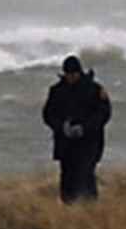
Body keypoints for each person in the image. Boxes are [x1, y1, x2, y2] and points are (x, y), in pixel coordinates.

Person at [40, 56, 112, 204]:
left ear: (79, 73)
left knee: (85, 174)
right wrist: (61, 127)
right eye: (68, 74)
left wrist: (85, 128)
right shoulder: (56, 91)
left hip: (89, 142)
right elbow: (48, 114)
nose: (71, 77)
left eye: (74, 74)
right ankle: (68, 209)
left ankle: (90, 209)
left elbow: (104, 113)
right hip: (66, 143)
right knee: (68, 177)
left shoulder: (94, 89)